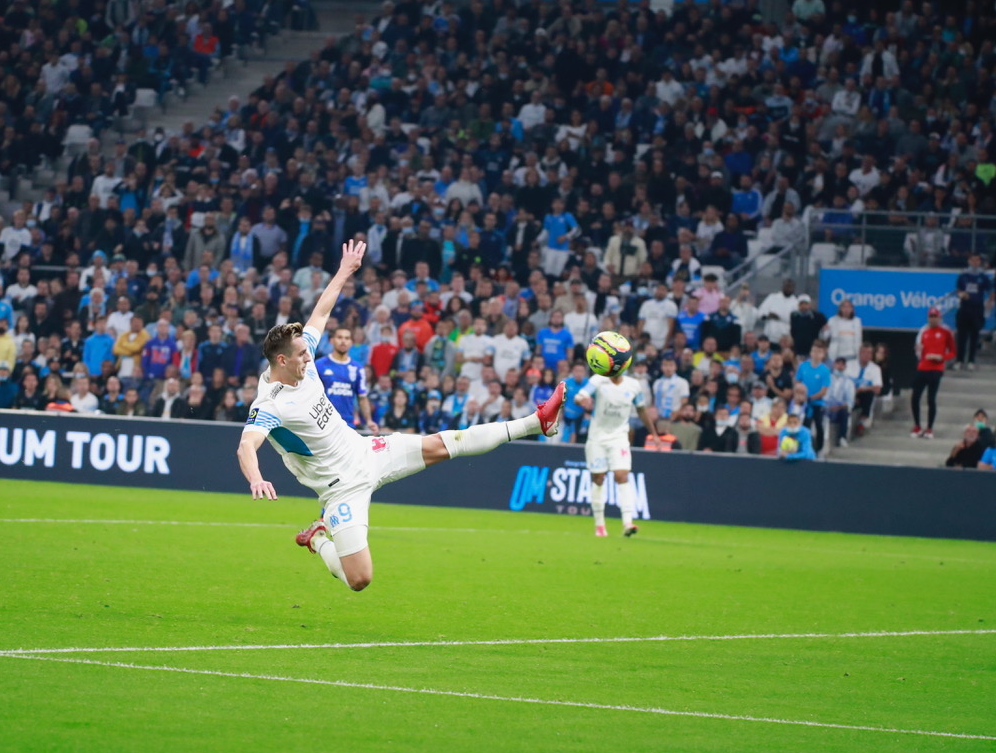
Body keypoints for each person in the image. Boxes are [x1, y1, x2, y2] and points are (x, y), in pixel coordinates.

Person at [237, 239, 567, 592]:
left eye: (307, 350)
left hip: (367, 452)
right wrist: (256, 478)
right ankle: (318, 538)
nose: (309, 356)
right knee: (359, 579)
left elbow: (321, 312)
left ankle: (536, 422)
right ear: (282, 361)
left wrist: (345, 270)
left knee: (446, 443)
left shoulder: (303, 360)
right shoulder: (270, 403)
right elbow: (246, 446)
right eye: (302, 354)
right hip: (340, 489)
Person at [574, 369, 660, 538]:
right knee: (598, 478)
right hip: (597, 438)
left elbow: (642, 410)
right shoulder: (598, 380)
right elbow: (579, 396)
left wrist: (654, 433)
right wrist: (582, 400)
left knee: (622, 476)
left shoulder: (633, 385)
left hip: (619, 437)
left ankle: (627, 522)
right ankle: (600, 525)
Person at [314, 327, 377, 433]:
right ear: (332, 340)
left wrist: (369, 420)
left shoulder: (357, 368)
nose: (343, 341)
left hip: (348, 424)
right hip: (323, 424)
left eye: (347, 338)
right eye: (339, 337)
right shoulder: (319, 365)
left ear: (351, 342)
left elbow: (362, 397)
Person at [911, 307, 955, 439]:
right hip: (923, 367)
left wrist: (941, 358)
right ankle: (917, 426)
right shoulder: (924, 331)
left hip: (936, 369)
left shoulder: (946, 332)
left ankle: (929, 428)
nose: (933, 319)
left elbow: (953, 352)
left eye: (935, 316)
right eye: (931, 316)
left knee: (931, 399)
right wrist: (920, 353)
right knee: (915, 397)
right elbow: (919, 350)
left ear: (939, 318)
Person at [952, 253, 994, 370]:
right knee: (962, 336)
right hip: (965, 308)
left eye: (977, 261)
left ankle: (971, 360)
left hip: (977, 309)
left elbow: (990, 289)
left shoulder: (983, 276)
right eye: (973, 260)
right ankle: (959, 360)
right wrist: (962, 294)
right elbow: (958, 290)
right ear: (969, 261)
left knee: (974, 336)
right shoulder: (963, 275)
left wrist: (990, 300)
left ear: (979, 262)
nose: (975, 263)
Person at [825, 357, 857, 447]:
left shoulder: (849, 382)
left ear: (845, 366)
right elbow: (824, 395)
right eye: (838, 364)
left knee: (845, 412)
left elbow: (850, 401)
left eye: (842, 364)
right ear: (834, 365)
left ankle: (842, 437)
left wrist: (839, 407)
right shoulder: (827, 379)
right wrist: (829, 406)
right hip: (827, 407)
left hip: (840, 409)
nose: (840, 366)